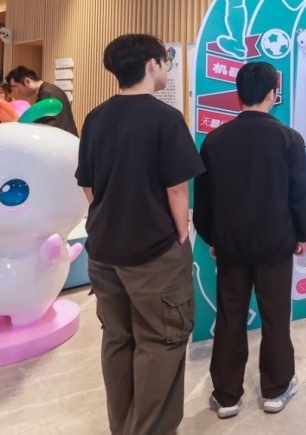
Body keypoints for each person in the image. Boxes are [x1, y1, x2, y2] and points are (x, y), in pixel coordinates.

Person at [76, 34, 205, 435]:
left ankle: (124, 426)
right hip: (154, 252)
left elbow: (88, 186)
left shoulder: (96, 117)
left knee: (118, 338)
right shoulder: (165, 118)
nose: (167, 68)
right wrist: (181, 234)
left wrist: (111, 214)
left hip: (103, 250)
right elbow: (177, 188)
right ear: (151, 65)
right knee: (162, 340)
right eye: (165, 61)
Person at [193, 62, 306, 418]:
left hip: (230, 245)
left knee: (230, 317)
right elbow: (299, 193)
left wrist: (212, 236)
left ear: (239, 94)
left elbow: (204, 200)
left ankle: (226, 396)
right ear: (272, 94)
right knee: (275, 315)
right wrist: (303, 233)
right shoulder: (289, 138)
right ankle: (276, 389)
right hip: (276, 243)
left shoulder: (214, 140)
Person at [5, 66, 79, 136]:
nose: (17, 91)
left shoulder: (47, 93)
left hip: (61, 140)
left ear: (27, 81)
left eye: (16, 86)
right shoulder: (51, 89)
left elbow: (51, 124)